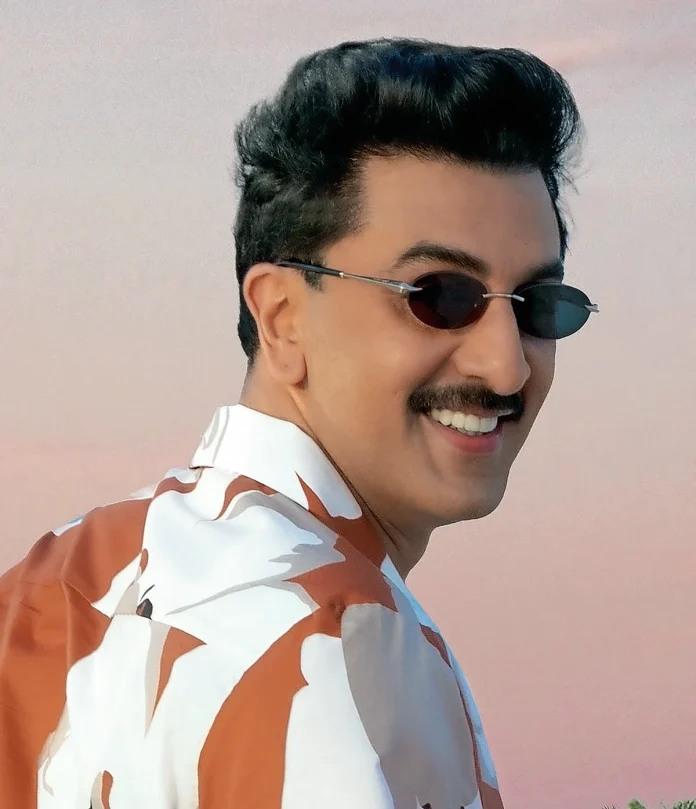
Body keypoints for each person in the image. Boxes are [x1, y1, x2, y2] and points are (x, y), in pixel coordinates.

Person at [0, 38, 598, 808]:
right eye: (440, 297)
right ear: (281, 316)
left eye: (539, 305)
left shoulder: (52, 587)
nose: (507, 365)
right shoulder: (344, 639)